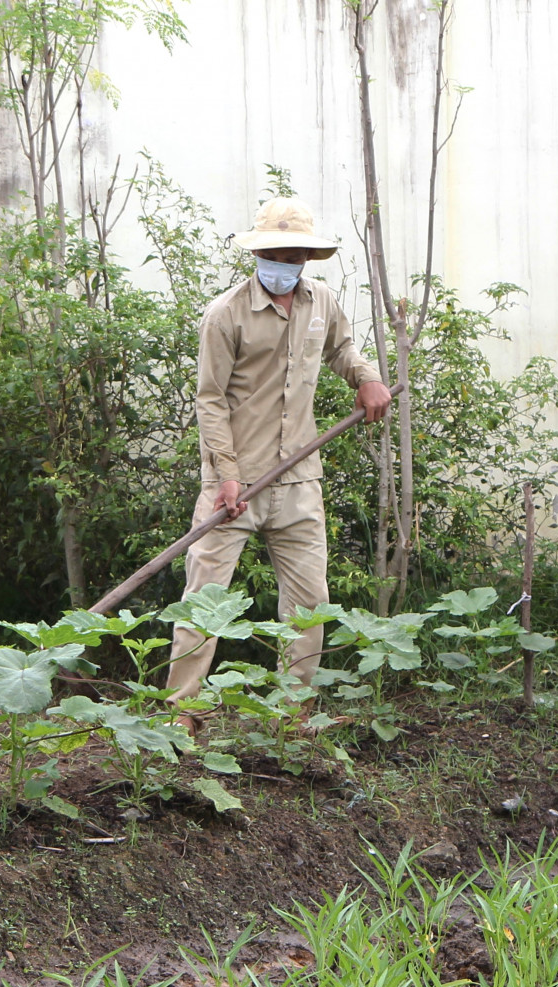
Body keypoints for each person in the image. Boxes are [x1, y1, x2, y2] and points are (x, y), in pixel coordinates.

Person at [167, 196, 391, 713]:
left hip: (298, 479)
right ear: (259, 254)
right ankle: (182, 716)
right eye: (277, 253)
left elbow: (340, 349)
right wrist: (227, 475)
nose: (286, 264)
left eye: (296, 256)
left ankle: (294, 715)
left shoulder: (322, 304)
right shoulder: (226, 315)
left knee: (310, 603)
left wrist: (367, 376)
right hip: (235, 485)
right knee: (204, 604)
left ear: (306, 260)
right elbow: (210, 398)